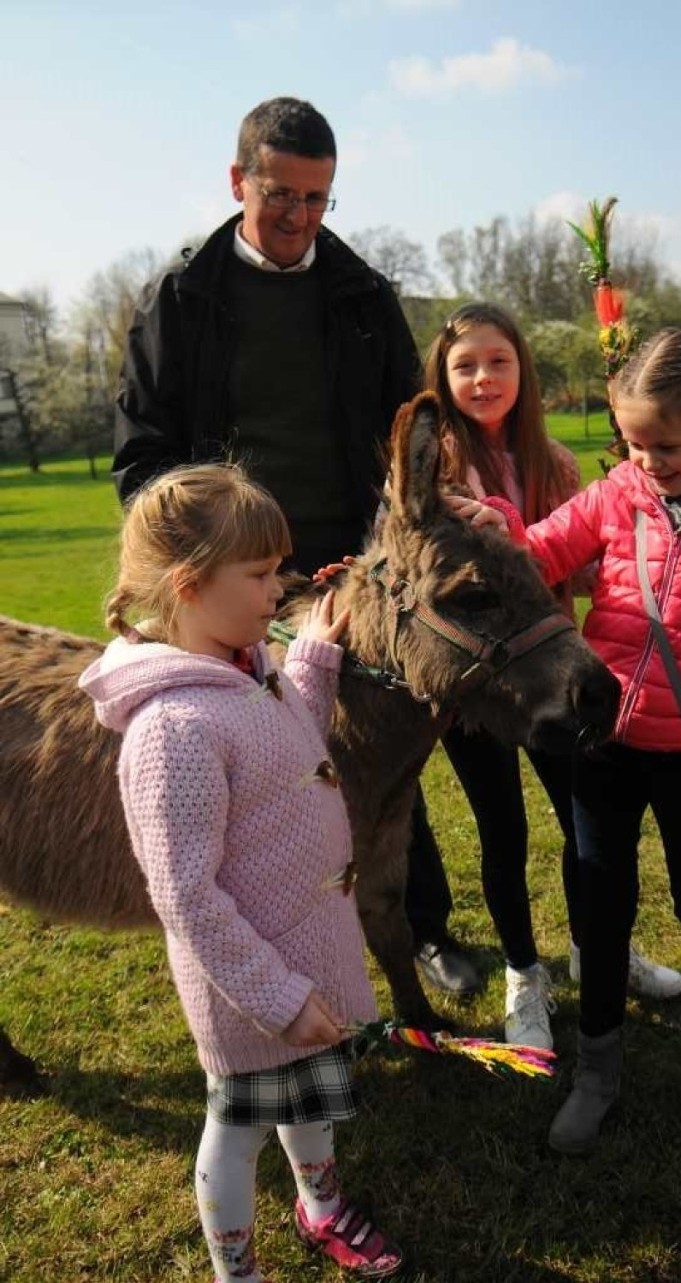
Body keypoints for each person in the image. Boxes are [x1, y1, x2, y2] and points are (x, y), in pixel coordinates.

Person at [111, 94, 477, 998]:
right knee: (259, 760)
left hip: (356, 567)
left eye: (319, 199)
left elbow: (409, 429)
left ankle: (419, 925)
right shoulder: (182, 298)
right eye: (281, 194)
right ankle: (269, 941)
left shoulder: (361, 294)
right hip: (232, 575)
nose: (298, 217)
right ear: (238, 181)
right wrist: (212, 556)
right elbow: (142, 456)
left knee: (383, 751)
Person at [450, 327, 681, 1152]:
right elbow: (542, 551)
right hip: (601, 750)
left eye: (666, 444)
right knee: (601, 910)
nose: (647, 460)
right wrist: (497, 525)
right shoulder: (618, 492)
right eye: (633, 443)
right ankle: (598, 1071)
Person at [78, 463, 403, 1281]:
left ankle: (321, 1205)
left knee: (313, 1100)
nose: (279, 588)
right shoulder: (174, 728)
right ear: (190, 584)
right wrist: (278, 999)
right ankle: (236, 1270)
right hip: (251, 988)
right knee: (240, 1127)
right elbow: (185, 896)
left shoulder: (247, 668)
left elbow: (288, 737)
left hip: (308, 956)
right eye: (260, 574)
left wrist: (316, 659)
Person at [422, 303, 681, 1051]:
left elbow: (579, 561)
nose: (482, 377)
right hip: (476, 687)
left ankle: (593, 947)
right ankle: (521, 973)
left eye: (498, 361)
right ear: (442, 375)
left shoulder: (557, 463)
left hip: (550, 680)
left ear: (522, 369)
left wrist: (630, 518)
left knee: (583, 822)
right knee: (501, 830)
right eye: (465, 364)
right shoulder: (431, 467)